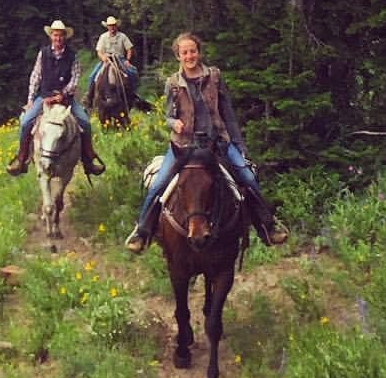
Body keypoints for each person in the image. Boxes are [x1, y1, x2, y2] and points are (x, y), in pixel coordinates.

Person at [123, 32, 288, 252]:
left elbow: (227, 112)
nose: (189, 56)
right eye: (184, 52)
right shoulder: (173, 83)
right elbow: (168, 116)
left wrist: (239, 145)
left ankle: (267, 226)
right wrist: (175, 124)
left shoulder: (214, 77)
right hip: (184, 146)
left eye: (193, 51)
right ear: (178, 56)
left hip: (217, 142)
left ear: (198, 52)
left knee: (247, 176)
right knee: (159, 184)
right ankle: (142, 231)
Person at [7, 20, 105, 178]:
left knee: (85, 122)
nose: (57, 38)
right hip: (44, 96)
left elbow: (75, 78)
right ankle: (22, 158)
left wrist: (64, 94)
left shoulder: (72, 56)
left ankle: (88, 160)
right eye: (55, 35)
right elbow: (35, 76)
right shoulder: (43, 53)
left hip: (65, 98)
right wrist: (31, 99)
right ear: (51, 36)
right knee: (26, 122)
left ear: (64, 37)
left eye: (60, 35)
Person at [83, 15, 150, 111]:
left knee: (132, 72)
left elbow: (129, 49)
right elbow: (99, 51)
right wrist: (103, 58)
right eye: (110, 26)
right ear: (107, 27)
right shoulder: (103, 37)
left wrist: (127, 60)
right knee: (93, 75)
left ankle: (134, 94)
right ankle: (89, 97)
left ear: (116, 26)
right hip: (107, 59)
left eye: (113, 25)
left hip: (120, 59)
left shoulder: (122, 36)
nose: (112, 27)